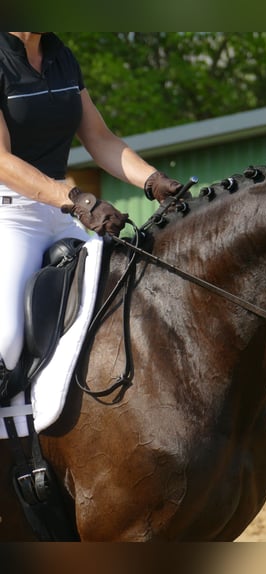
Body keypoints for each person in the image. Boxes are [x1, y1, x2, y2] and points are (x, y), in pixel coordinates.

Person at [0, 32, 182, 393]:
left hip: (59, 211)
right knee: (5, 340)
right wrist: (78, 199)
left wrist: (155, 181)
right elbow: (2, 161)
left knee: (126, 295)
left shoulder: (61, 57)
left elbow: (99, 137)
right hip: (10, 215)